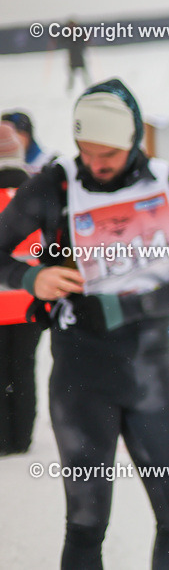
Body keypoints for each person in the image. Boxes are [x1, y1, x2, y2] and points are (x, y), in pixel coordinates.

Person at [0, 78, 169, 569]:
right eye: (87, 152)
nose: (96, 164)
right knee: (86, 525)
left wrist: (126, 307)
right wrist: (31, 277)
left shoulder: (168, 182)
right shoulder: (55, 184)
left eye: (109, 155)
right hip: (81, 379)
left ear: (134, 140)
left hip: (150, 377)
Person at [0, 124, 43, 456]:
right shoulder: (37, 197)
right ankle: (22, 437)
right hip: (31, 303)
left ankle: (3, 438)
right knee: (24, 367)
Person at [1, 110, 57, 175]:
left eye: (16, 134)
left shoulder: (50, 161)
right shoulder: (4, 165)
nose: (12, 141)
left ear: (28, 136)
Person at [58, 19, 91, 93]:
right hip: (72, 57)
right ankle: (70, 89)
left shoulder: (79, 32)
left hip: (80, 55)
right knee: (71, 75)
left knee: (85, 73)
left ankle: (89, 85)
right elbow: (61, 41)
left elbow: (86, 39)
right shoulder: (67, 33)